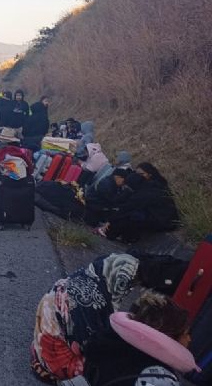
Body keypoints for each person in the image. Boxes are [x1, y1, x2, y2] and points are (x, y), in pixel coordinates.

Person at [30, 254, 140, 382]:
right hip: (60, 368)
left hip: (41, 352)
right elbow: (95, 349)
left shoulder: (80, 279)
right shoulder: (94, 305)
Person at [83, 291, 192, 386]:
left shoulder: (106, 342)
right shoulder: (158, 378)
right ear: (170, 336)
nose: (189, 339)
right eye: (186, 333)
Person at [97, 163, 181, 242]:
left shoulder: (150, 190)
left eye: (141, 174)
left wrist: (110, 221)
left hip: (164, 221)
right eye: (137, 174)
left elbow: (129, 206)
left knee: (131, 215)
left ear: (150, 174)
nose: (138, 176)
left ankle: (120, 235)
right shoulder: (148, 185)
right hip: (159, 216)